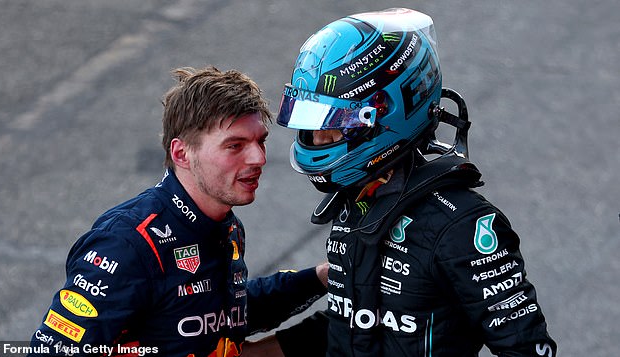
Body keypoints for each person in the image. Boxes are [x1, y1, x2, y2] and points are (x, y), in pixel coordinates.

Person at [252, 8, 558, 357]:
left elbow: (528, 351)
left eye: (330, 124)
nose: (317, 139)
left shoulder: (462, 227)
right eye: (310, 125)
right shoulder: (359, 202)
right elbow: (355, 323)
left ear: (385, 112)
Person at [28, 66, 328, 357]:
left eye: (260, 141)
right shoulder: (127, 244)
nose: (259, 158)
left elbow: (218, 315)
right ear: (181, 153)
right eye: (235, 146)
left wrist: (322, 278)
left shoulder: (225, 226)